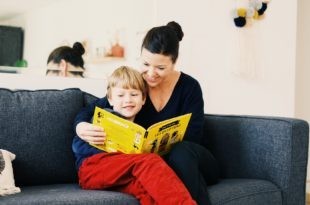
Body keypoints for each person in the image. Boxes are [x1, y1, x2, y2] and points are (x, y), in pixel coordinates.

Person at [74, 21, 219, 204]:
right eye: (145, 64)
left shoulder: (189, 87)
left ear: (174, 63)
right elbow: (90, 110)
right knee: (148, 177)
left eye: (160, 68)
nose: (151, 73)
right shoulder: (133, 87)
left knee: (178, 155)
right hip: (133, 163)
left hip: (188, 158)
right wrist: (81, 126)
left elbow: (194, 135)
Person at [72, 66, 196, 205]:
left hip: (121, 173)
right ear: (110, 99)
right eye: (121, 95)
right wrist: (85, 131)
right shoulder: (102, 117)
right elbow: (77, 146)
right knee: (149, 161)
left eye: (134, 94)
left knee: (147, 189)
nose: (128, 100)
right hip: (92, 168)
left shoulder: (140, 127)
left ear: (143, 99)